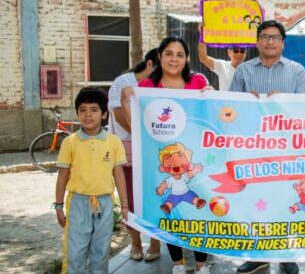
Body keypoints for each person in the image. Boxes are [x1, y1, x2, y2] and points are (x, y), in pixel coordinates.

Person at [121, 36, 211, 274]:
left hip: (195, 159)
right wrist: (125, 100)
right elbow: (137, 129)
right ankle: (178, 264)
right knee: (171, 215)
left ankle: (202, 265)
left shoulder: (198, 82)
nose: (174, 59)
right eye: (168, 53)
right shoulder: (147, 89)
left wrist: (212, 96)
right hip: (162, 162)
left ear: (187, 59)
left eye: (180, 54)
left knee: (197, 214)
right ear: (159, 57)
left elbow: (212, 115)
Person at [230, 20, 305, 274]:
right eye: (264, 37)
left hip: (287, 148)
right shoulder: (243, 71)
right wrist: (244, 103)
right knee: (256, 202)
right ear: (257, 42)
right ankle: (258, 255)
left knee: (287, 199)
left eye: (275, 37)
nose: (269, 41)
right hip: (253, 148)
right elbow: (228, 110)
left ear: (283, 43)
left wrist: (284, 103)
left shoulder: (297, 71)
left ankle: (287, 254)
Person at [55, 87, 128, 274]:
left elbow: (118, 174)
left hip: (105, 202)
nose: (88, 115)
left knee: (101, 251)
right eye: (83, 110)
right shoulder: (70, 142)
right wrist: (58, 205)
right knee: (75, 253)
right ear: (77, 112)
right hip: (78, 202)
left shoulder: (113, 142)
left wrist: (125, 206)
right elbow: (62, 175)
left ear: (104, 114)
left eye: (94, 110)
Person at [107, 48, 161, 262]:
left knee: (155, 197)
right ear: (149, 64)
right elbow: (119, 114)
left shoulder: (160, 84)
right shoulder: (123, 82)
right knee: (129, 197)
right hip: (127, 148)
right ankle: (136, 242)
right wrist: (143, 133)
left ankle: (155, 243)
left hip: (153, 150)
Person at [197, 22, 247, 90]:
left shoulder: (250, 70)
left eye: (242, 51)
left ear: (245, 53)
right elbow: (203, 58)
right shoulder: (222, 65)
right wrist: (202, 35)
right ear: (229, 52)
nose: (239, 54)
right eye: (235, 51)